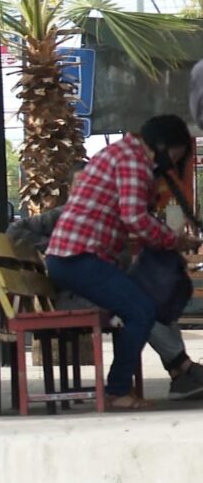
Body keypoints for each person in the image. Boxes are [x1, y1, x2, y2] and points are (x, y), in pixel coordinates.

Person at [45, 115, 202, 409]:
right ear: (163, 144)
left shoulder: (121, 152)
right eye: (176, 155)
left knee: (140, 303)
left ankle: (176, 367)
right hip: (78, 257)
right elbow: (134, 218)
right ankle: (118, 391)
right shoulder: (134, 161)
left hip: (76, 257)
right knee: (141, 309)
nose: (172, 163)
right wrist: (173, 240)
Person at [12, 160, 203, 400]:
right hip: (76, 297)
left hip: (103, 289)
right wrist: (57, 248)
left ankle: (179, 370)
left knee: (149, 297)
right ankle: (179, 367)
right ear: (71, 191)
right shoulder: (62, 216)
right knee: (141, 303)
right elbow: (15, 230)